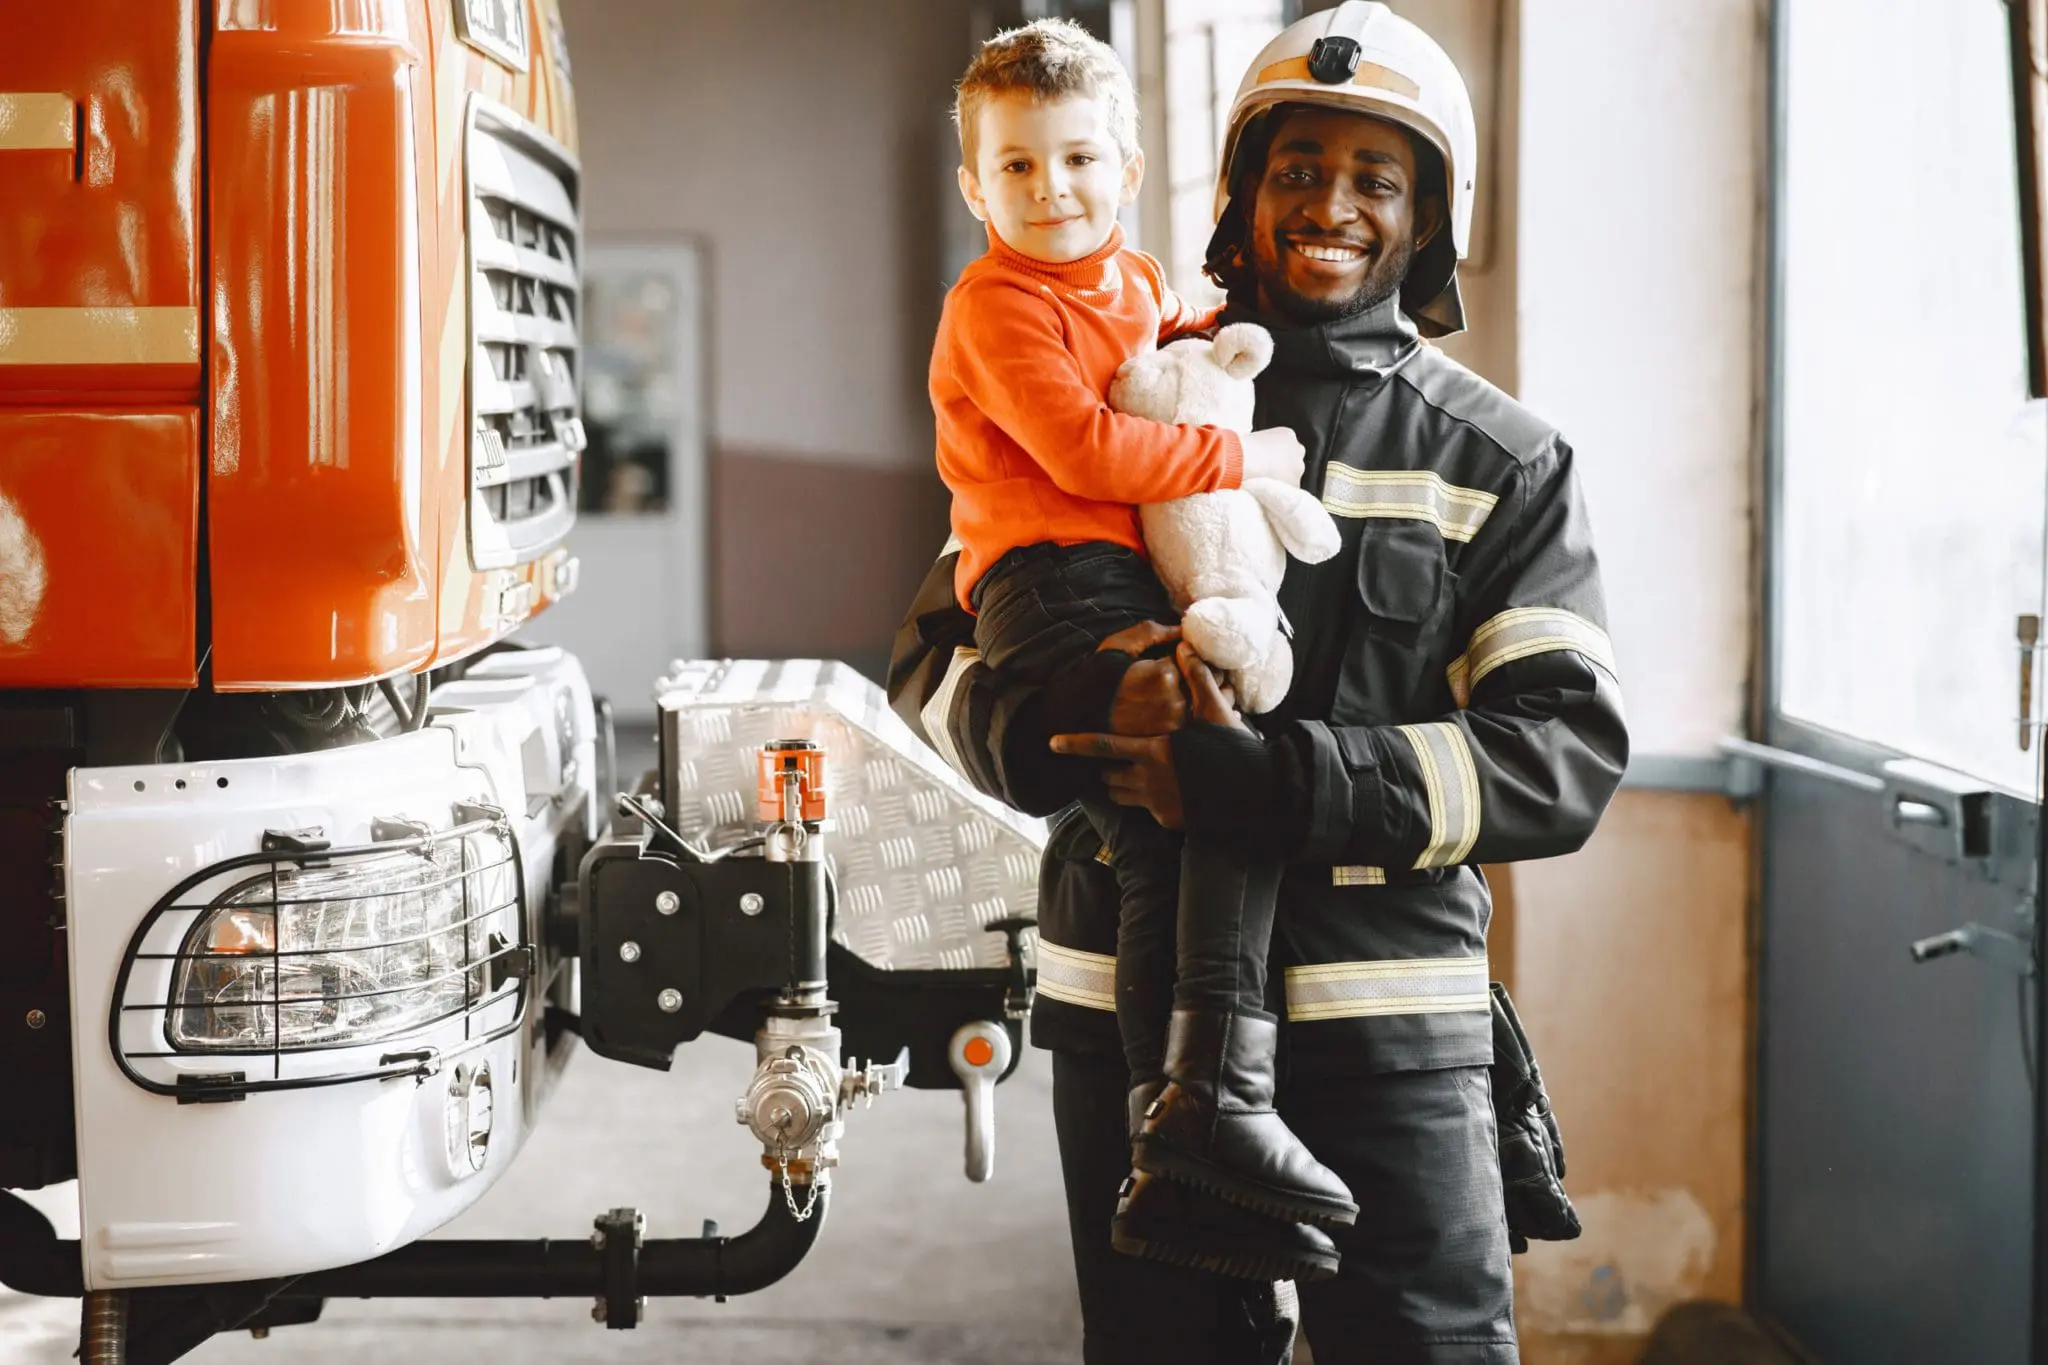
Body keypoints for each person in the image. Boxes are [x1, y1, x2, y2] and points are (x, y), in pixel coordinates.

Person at [891, 4, 1629, 1362]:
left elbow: (1562, 753)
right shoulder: (1120, 379)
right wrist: (1070, 725)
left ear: (1428, 217)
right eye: (1298, 169)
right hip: (1132, 1012)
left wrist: (1291, 782)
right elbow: (935, 662)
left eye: (1375, 178)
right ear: (1243, 193)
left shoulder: (1504, 461)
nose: (1331, 205)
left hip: (1387, 1022)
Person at [933, 17, 1358, 1280]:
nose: (1047, 190)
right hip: (1044, 584)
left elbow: (1201, 346)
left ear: (1124, 166)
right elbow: (1085, 455)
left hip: (1126, 572)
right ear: (975, 185)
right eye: (1014, 167)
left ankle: (1185, 1127)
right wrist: (1242, 456)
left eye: (1074, 160)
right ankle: (1194, 1113)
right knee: (1183, 784)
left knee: (1172, 824)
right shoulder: (995, 307)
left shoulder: (1138, 281)